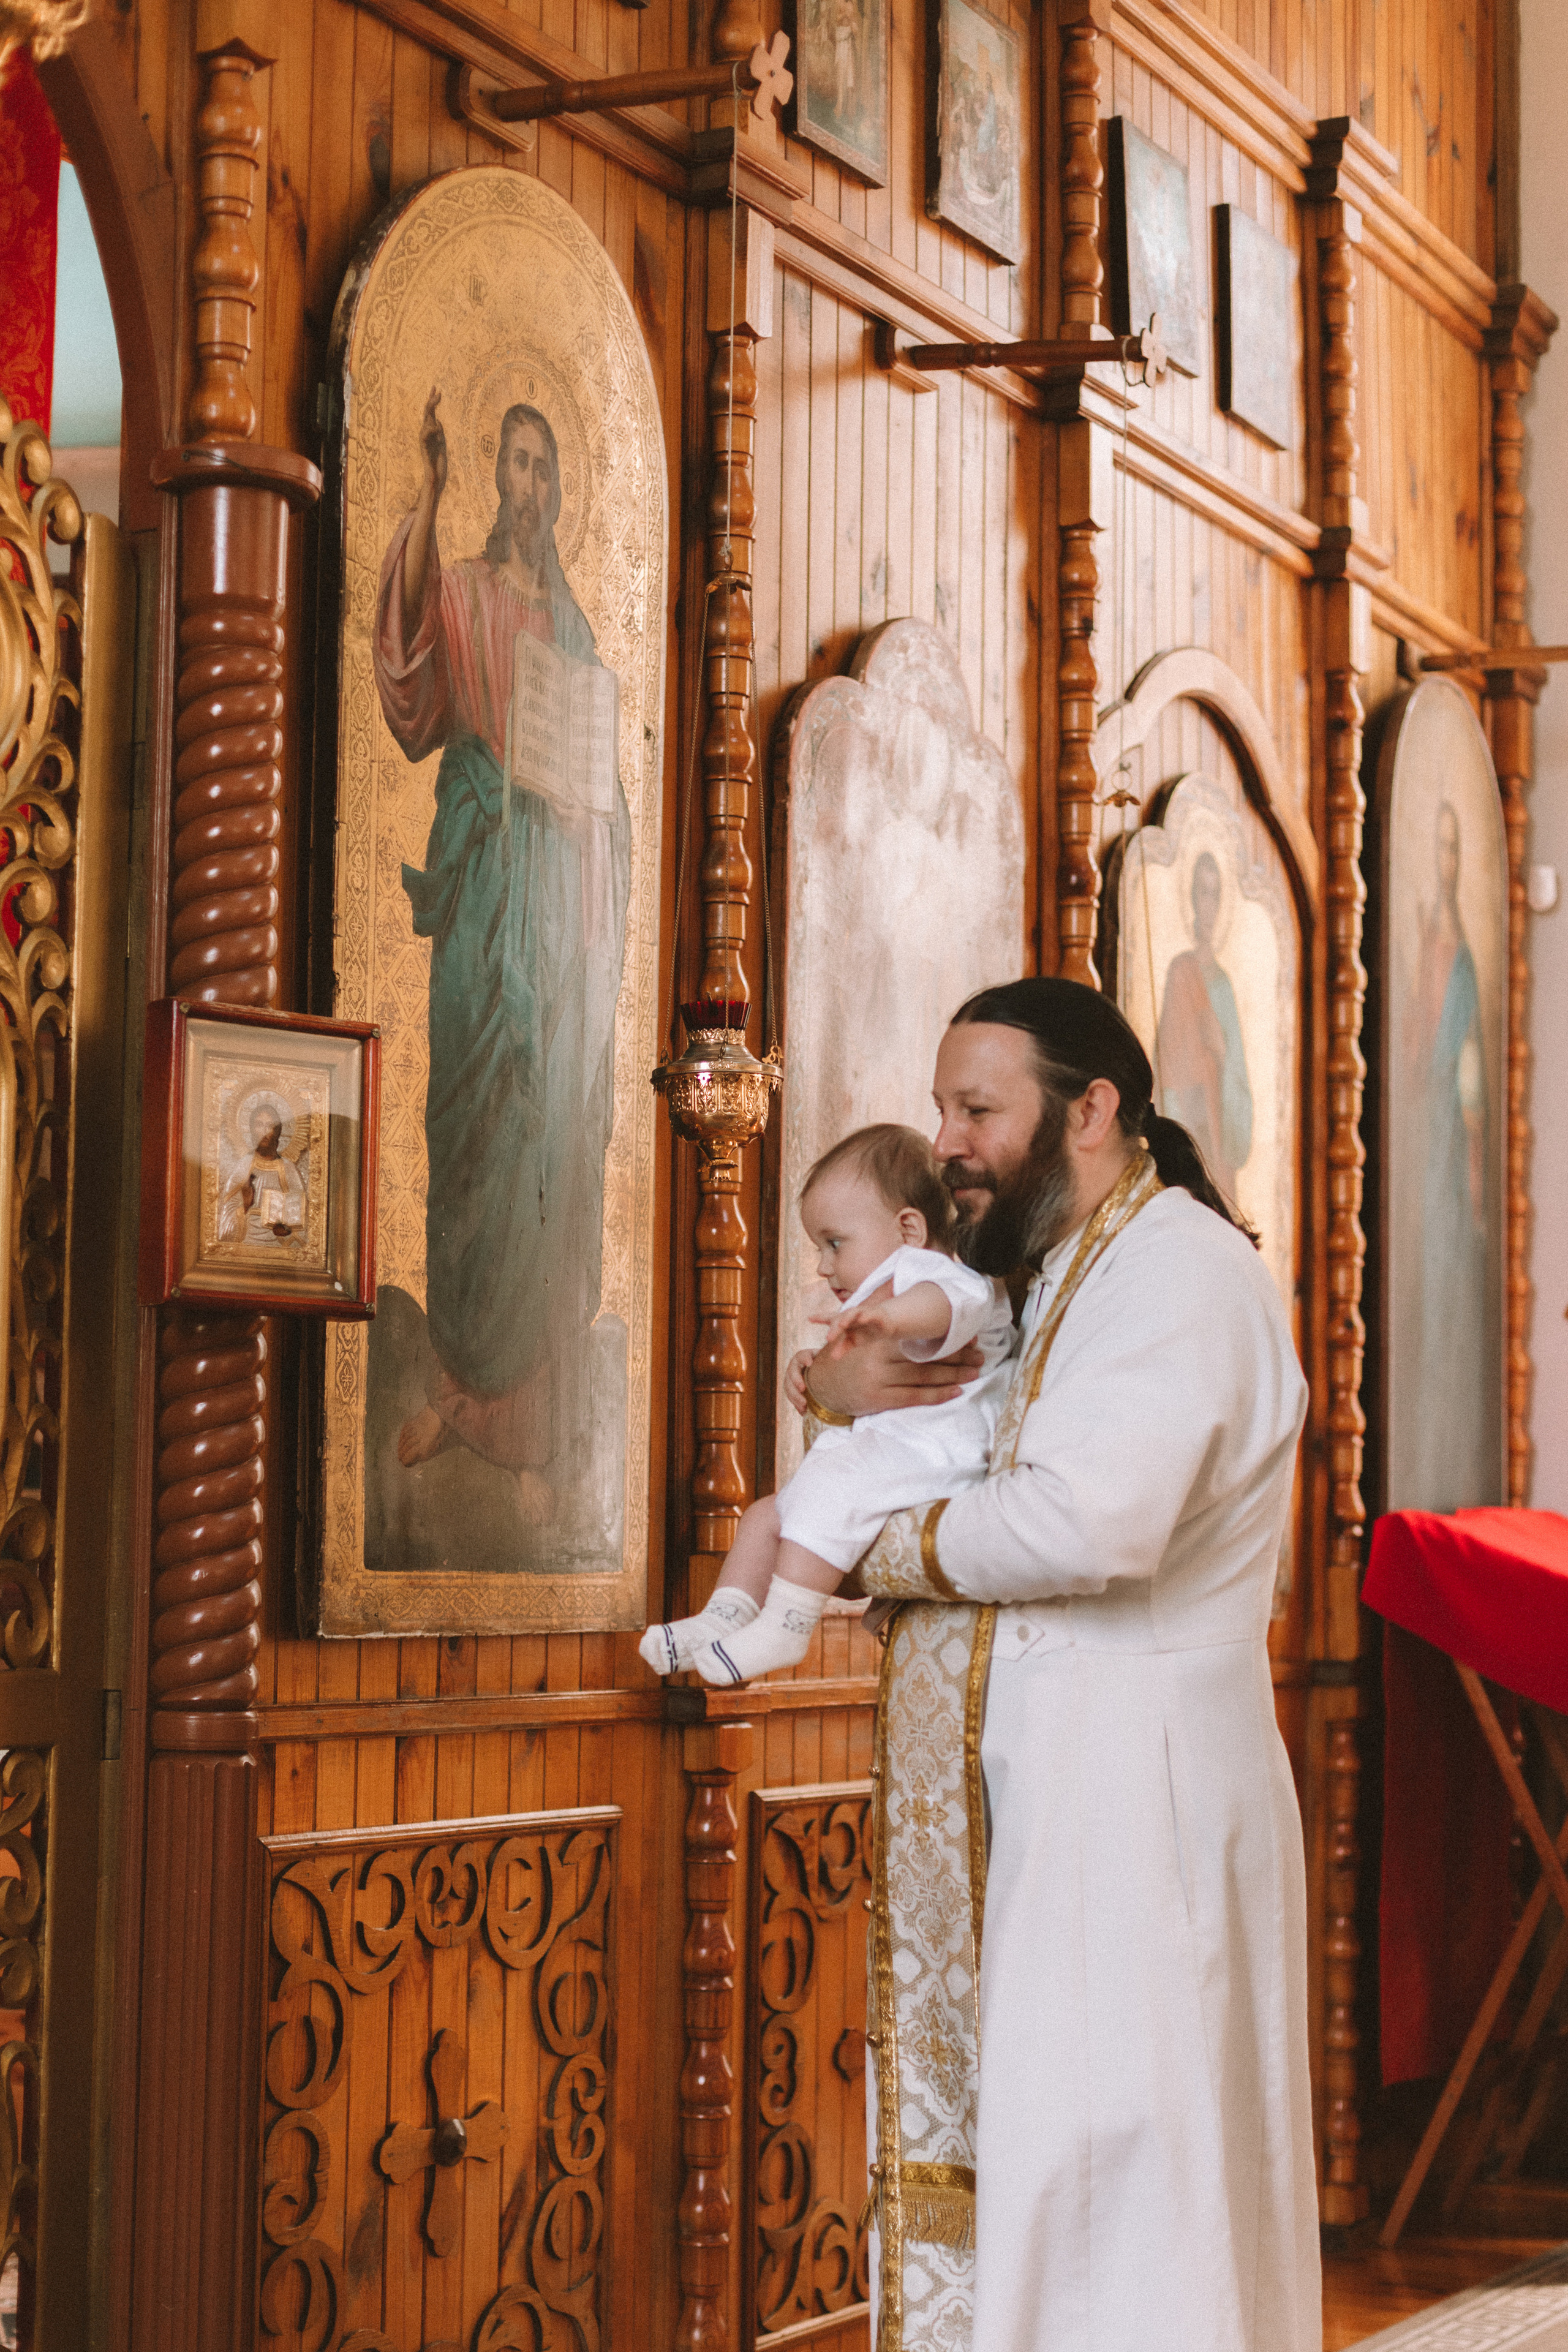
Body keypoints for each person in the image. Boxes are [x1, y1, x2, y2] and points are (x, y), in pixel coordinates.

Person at [803, 976, 1319, 2352]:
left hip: (1131, 1797)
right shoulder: (1061, 1270)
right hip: (1070, 1802)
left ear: (1090, 1109)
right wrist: (836, 1400)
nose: (948, 1143)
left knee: (1128, 2185)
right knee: (1067, 2169)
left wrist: (877, 1550)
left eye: (978, 1109)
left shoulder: (1176, 1273)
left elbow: (1091, 1521)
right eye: (939, 1109)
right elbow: (927, 1429)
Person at [373, 390, 630, 1518]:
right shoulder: (470, 593)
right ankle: (456, 1387)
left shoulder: (574, 634)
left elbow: (606, 791)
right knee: (471, 1123)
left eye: (542, 469)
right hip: (483, 884)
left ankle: (523, 1430)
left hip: (553, 895)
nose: (524, 486)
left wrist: (590, 820)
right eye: (511, 464)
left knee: (545, 1134)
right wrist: (424, 493)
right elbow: (410, 675)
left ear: (558, 493)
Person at [639, 1124, 1014, 1683]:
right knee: (768, 1513)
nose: (822, 1265)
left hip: (940, 1453)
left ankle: (787, 1625)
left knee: (828, 1485)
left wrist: (890, 1318)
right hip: (898, 1453)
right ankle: (721, 1617)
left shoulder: (931, 1272)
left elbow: (956, 1303)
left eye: (834, 1243)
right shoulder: (888, 1285)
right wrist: (812, 1372)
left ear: (909, 1228)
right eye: (819, 1247)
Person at [1404, 798, 1494, 1508]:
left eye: (1453, 850)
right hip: (1419, 1138)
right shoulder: (1424, 948)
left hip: (1443, 1144)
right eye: (1438, 848)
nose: (1446, 863)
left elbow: (1467, 1069)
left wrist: (1465, 1147)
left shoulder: (1457, 954)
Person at [1156, 846, 1254, 1203]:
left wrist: (1223, 1054)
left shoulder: (1224, 985)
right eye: (1201, 891)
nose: (1207, 904)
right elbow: (1167, 1061)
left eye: (1214, 893)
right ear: (1192, 899)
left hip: (1220, 1130)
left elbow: (1238, 1071)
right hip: (1192, 1121)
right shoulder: (1181, 973)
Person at [219, 1102, 304, 1248]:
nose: (264, 1132)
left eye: (269, 1126)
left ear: (276, 1132)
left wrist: (286, 1228)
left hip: (279, 1245)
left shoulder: (288, 1169)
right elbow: (224, 1217)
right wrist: (245, 1205)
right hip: (245, 1243)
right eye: (259, 1125)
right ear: (252, 1130)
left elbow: (303, 1218)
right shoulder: (244, 1166)